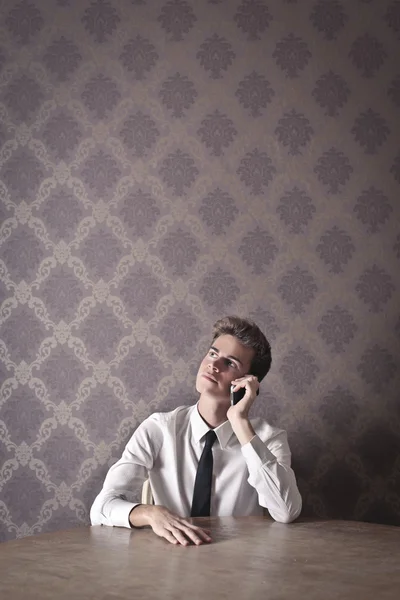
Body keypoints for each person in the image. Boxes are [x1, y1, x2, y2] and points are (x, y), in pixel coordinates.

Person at [90, 316, 302, 545]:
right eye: (212, 354)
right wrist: (151, 513)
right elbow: (101, 508)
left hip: (240, 566)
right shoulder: (159, 429)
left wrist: (240, 421)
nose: (213, 365)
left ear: (248, 382)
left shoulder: (268, 439)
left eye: (230, 363)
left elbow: (286, 511)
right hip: (170, 565)